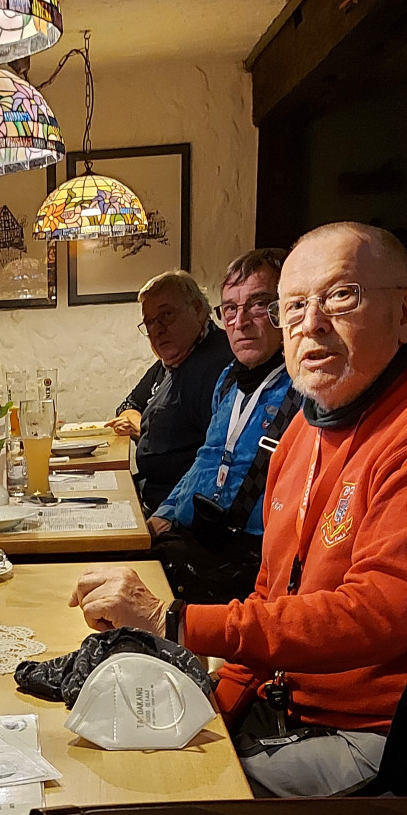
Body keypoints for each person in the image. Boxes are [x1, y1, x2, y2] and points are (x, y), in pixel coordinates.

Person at [70, 222, 407, 798]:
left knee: (160, 800)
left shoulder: (404, 435)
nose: (311, 323)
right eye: (295, 305)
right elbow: (270, 597)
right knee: (120, 739)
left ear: (404, 314)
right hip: (280, 705)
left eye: (340, 296)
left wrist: (174, 620)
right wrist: (215, 708)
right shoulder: (304, 431)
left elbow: (374, 614)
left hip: (367, 733)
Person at [148, 248, 296, 602]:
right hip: (193, 535)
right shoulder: (228, 379)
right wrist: (163, 514)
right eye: (230, 308)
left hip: (247, 564)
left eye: (257, 304)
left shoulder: (303, 393)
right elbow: (207, 458)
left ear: (285, 310)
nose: (240, 322)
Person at [109, 270, 233, 512]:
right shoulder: (172, 361)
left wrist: (167, 514)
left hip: (176, 510)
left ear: (198, 309)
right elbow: (128, 404)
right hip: (151, 495)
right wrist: (144, 427)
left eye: (166, 315)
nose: (157, 330)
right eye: (149, 322)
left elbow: (214, 462)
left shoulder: (217, 365)